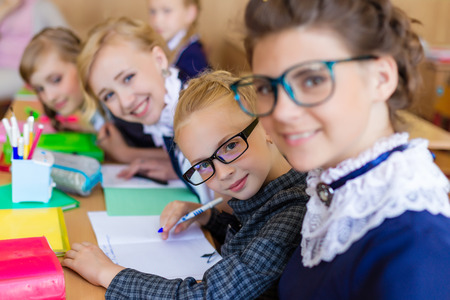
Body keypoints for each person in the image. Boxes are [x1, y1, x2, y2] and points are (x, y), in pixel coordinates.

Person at [230, 0, 450, 299]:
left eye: (312, 79)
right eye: (267, 88)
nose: (281, 112)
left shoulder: (414, 242)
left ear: (381, 78)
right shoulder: (338, 189)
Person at [62, 70, 309, 299]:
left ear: (267, 125)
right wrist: (207, 218)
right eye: (203, 165)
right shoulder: (269, 193)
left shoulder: (292, 211)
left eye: (230, 145)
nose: (222, 173)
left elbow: (208, 296)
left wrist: (108, 274)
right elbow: (252, 235)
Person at [78, 17, 213, 202]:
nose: (125, 102)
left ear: (159, 60)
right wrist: (177, 170)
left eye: (128, 78)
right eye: (109, 95)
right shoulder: (163, 116)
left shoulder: (200, 113)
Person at [19, 27, 162, 164]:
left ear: (80, 62)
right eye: (40, 89)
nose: (50, 97)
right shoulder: (93, 108)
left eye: (56, 79)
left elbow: (173, 153)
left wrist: (123, 153)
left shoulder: (119, 101)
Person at [0, 0, 67, 102]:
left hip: (22, 70)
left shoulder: (41, 6)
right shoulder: (3, 6)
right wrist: (7, 7)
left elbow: (66, 36)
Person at [147, 0, 209, 83]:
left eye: (167, 10)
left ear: (190, 13)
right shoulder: (164, 44)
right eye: (152, 11)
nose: (157, 20)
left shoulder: (193, 56)